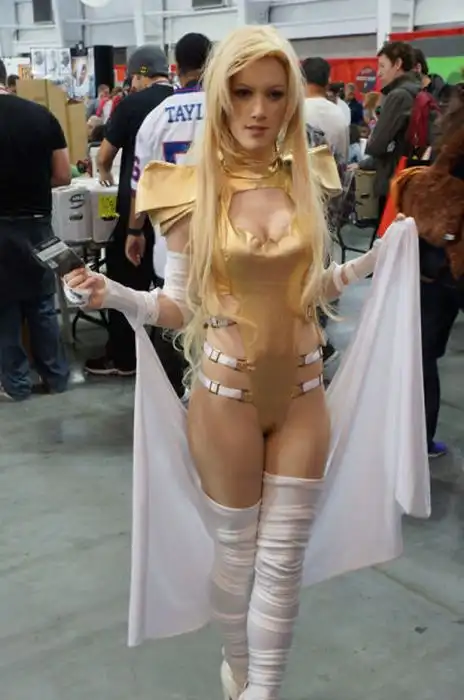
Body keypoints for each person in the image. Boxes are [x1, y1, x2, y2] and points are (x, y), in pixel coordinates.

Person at [65, 26, 429, 700]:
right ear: (219, 97)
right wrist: (112, 294)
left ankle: (263, 689)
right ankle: (239, 670)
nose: (259, 110)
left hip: (304, 396)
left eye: (273, 94)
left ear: (291, 99)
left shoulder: (308, 175)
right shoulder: (185, 189)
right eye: (241, 93)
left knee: (282, 563)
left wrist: (369, 266)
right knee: (236, 560)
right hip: (223, 399)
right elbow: (179, 306)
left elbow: (307, 291)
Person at [126, 32, 212, 396]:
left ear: (176, 67)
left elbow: (140, 185)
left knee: (176, 323)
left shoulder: (155, 118)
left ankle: (176, 401)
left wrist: (135, 231)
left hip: (171, 244)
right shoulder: (230, 110)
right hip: (223, 238)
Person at [84, 45, 173, 377]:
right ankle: (170, 359)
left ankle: (124, 357)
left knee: (125, 287)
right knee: (170, 286)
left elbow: (105, 155)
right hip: (176, 215)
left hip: (138, 213)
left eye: (134, 77)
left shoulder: (131, 105)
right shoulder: (184, 102)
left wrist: (105, 172)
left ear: (141, 74)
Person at [0, 59, 70, 400]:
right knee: (43, 304)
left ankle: (16, 386)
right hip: (40, 225)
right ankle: (56, 378)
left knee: (4, 310)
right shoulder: (41, 115)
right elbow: (63, 175)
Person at [365, 41, 420, 224]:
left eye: (382, 66)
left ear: (397, 64)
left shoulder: (398, 96)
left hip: (394, 180)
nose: (378, 73)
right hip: (411, 178)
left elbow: (376, 145)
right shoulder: (417, 89)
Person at [302, 58, 349, 164]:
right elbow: (343, 157)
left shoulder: (295, 112)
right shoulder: (339, 113)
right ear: (328, 81)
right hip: (333, 172)